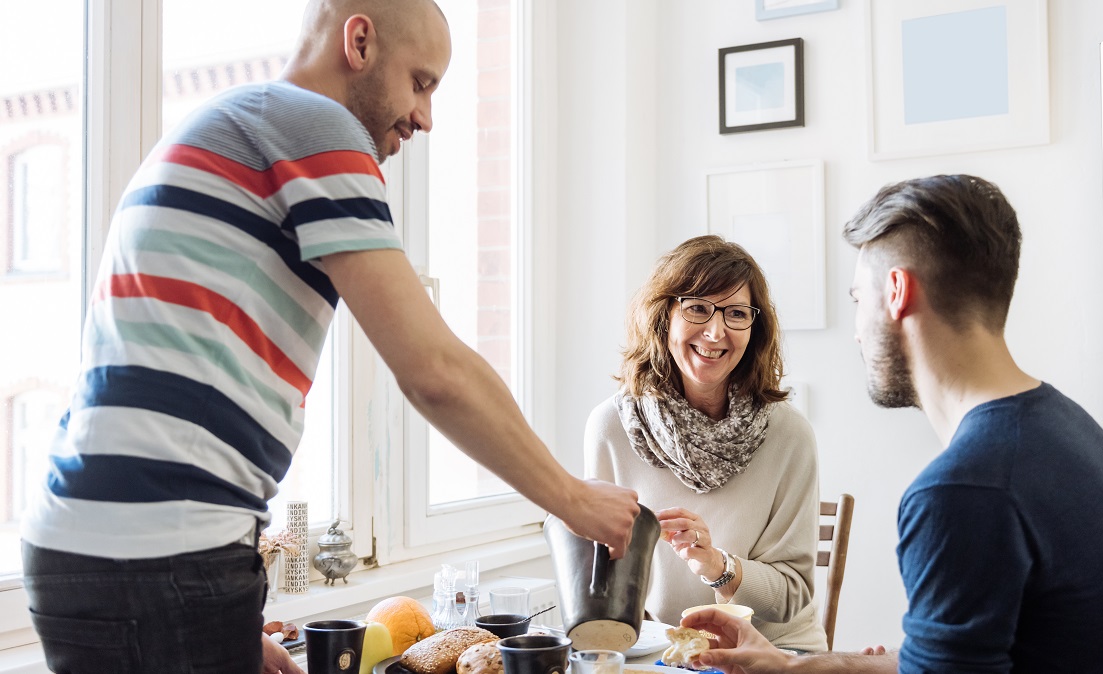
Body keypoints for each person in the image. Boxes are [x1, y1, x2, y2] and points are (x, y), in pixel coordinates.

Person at [19, 1, 640, 672]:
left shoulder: (229, 125)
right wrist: (574, 500)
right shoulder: (315, 124)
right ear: (361, 41)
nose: (426, 117)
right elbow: (434, 370)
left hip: (87, 551)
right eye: (422, 82)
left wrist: (218, 628)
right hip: (163, 553)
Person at [682, 175, 1103, 673]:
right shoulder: (1067, 428)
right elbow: (956, 660)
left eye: (859, 300)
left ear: (897, 291)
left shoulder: (964, 491)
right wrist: (793, 667)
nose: (857, 333)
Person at [585, 235, 828, 653]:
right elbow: (598, 576)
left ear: (754, 330)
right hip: (661, 652)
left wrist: (716, 565)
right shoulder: (612, 427)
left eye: (736, 314)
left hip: (775, 652)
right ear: (665, 316)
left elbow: (792, 595)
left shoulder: (789, 435)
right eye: (698, 308)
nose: (716, 332)